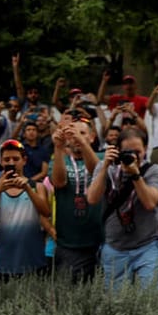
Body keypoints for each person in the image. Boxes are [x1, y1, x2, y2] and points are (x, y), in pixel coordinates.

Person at [87, 127, 158, 289]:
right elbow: (92, 198)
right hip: (115, 247)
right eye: (127, 152)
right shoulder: (106, 168)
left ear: (145, 150)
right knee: (115, 303)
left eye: (138, 151)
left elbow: (150, 202)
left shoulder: (153, 171)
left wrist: (136, 175)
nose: (133, 156)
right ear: (118, 151)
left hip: (147, 245)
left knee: (155, 296)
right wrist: (105, 166)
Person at [0, 139, 51, 281]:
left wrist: (27, 188)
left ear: (24, 160)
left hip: (35, 264)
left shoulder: (37, 187)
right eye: (6, 159)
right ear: (1, 162)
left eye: (16, 159)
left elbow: (46, 212)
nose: (11, 163)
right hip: (5, 265)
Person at [49, 113, 103, 280]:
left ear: (92, 137)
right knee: (70, 296)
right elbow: (58, 182)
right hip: (70, 243)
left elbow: (98, 172)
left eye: (83, 133)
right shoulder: (59, 160)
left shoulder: (102, 158)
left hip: (101, 240)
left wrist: (82, 142)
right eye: (73, 134)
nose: (77, 138)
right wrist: (58, 147)